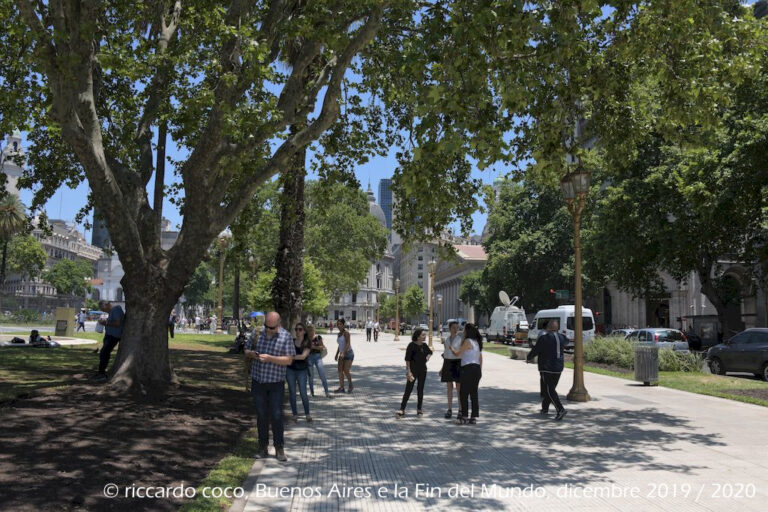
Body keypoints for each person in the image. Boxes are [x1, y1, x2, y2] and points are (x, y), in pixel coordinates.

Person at [244, 311, 294, 462]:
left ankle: (279, 447)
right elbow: (246, 350)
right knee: (261, 415)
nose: (268, 330)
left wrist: (271, 358)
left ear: (278, 325)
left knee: (277, 415)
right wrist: (253, 354)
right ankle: (263, 447)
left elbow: (289, 360)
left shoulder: (285, 336)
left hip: (276, 382)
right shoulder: (257, 332)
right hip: (258, 381)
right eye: (266, 326)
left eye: (271, 328)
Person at [527, 319, 567, 421]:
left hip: (547, 367)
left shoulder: (544, 338)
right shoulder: (562, 337)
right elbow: (566, 342)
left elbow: (536, 350)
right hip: (558, 368)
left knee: (549, 390)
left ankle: (560, 409)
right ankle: (545, 408)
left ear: (548, 327)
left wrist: (529, 357)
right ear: (557, 328)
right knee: (551, 389)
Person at [451, 323, 483, 425]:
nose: (462, 331)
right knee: (474, 393)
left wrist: (451, 348)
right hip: (476, 369)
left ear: (467, 331)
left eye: (464, 329)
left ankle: (464, 416)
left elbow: (458, 354)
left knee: (463, 393)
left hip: (467, 369)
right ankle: (473, 417)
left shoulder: (467, 341)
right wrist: (480, 370)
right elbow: (480, 358)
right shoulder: (476, 342)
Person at [396, 328, 432, 417]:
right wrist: (408, 371)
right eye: (423, 335)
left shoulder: (424, 345)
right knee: (408, 389)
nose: (425, 336)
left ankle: (419, 409)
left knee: (420, 390)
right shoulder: (411, 345)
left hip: (423, 370)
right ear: (418, 336)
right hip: (413, 371)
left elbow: (430, 352)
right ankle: (402, 409)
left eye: (425, 335)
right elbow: (407, 359)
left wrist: (428, 357)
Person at [286, 323, 312, 423]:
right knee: (292, 393)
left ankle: (307, 414)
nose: (297, 331)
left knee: (303, 393)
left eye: (300, 329)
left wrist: (290, 357)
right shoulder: (291, 341)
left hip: (302, 370)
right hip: (290, 369)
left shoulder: (307, 343)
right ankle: (295, 414)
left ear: (304, 331)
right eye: (296, 329)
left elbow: (303, 356)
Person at [94, 300, 125, 381]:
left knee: (104, 353)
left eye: (103, 309)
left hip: (114, 336)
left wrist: (105, 323)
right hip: (109, 335)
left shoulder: (116, 310)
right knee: (104, 353)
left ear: (107, 305)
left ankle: (102, 374)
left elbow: (117, 323)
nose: (104, 311)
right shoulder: (111, 311)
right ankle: (101, 372)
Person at [440, 320, 462, 419]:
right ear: (449, 328)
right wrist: (442, 368)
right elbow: (445, 354)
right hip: (448, 363)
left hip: (457, 363)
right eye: (453, 327)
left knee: (458, 388)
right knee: (449, 388)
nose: (455, 329)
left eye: (457, 328)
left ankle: (460, 410)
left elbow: (461, 353)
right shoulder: (447, 340)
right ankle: (449, 409)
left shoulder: (460, 339)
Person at [306, 325, 330, 398]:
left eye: (311, 330)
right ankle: (312, 392)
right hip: (309, 357)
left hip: (317, 357)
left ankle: (326, 392)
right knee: (310, 376)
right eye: (308, 330)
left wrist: (314, 347)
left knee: (322, 374)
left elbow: (322, 347)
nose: (310, 332)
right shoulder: (306, 338)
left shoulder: (318, 337)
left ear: (313, 330)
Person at [334, 318, 354, 393]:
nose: (339, 326)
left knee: (346, 370)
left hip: (348, 353)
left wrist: (343, 352)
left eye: (340, 324)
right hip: (341, 354)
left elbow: (348, 343)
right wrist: (337, 354)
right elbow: (340, 345)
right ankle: (341, 388)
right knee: (339, 371)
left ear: (343, 325)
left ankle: (350, 384)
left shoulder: (346, 333)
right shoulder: (338, 334)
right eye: (337, 324)